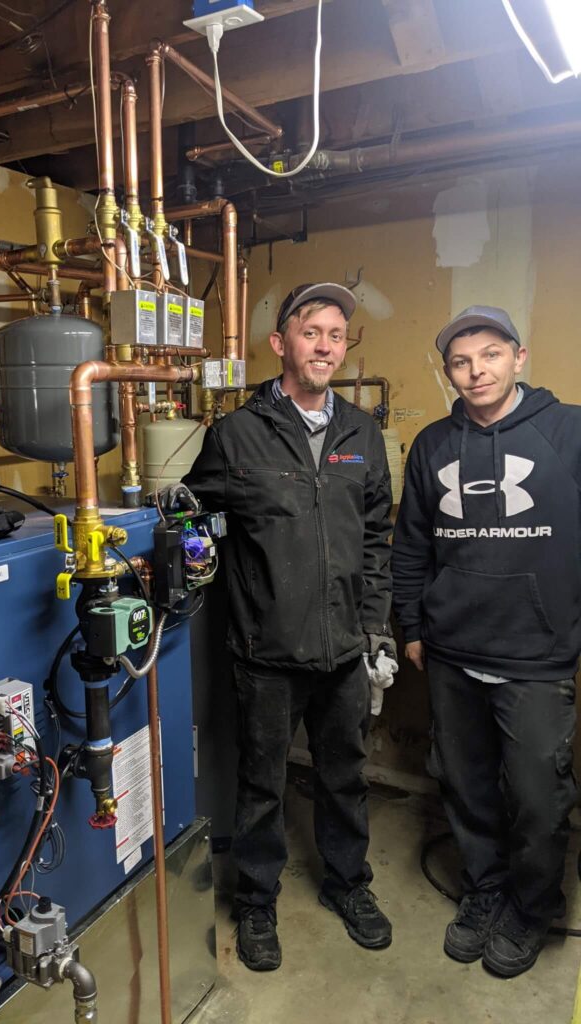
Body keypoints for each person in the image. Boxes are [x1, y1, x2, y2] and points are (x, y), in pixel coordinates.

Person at [167, 282, 395, 971]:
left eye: (335, 334)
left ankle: (349, 885)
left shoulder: (361, 432)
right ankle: (257, 902)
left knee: (343, 775)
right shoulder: (237, 433)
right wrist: (189, 545)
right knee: (263, 784)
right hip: (266, 650)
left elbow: (376, 538)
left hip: (345, 646)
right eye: (311, 332)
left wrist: (375, 630)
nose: (325, 345)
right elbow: (194, 518)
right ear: (280, 344)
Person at [392, 306, 579, 978]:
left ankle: (531, 909)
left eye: (490, 355)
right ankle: (486, 892)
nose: (476, 371)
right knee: (465, 787)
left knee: (537, 797)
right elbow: (410, 544)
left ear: (519, 357)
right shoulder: (433, 446)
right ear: (450, 373)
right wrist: (412, 626)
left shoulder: (569, 431)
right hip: (452, 652)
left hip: (538, 654)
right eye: (462, 362)